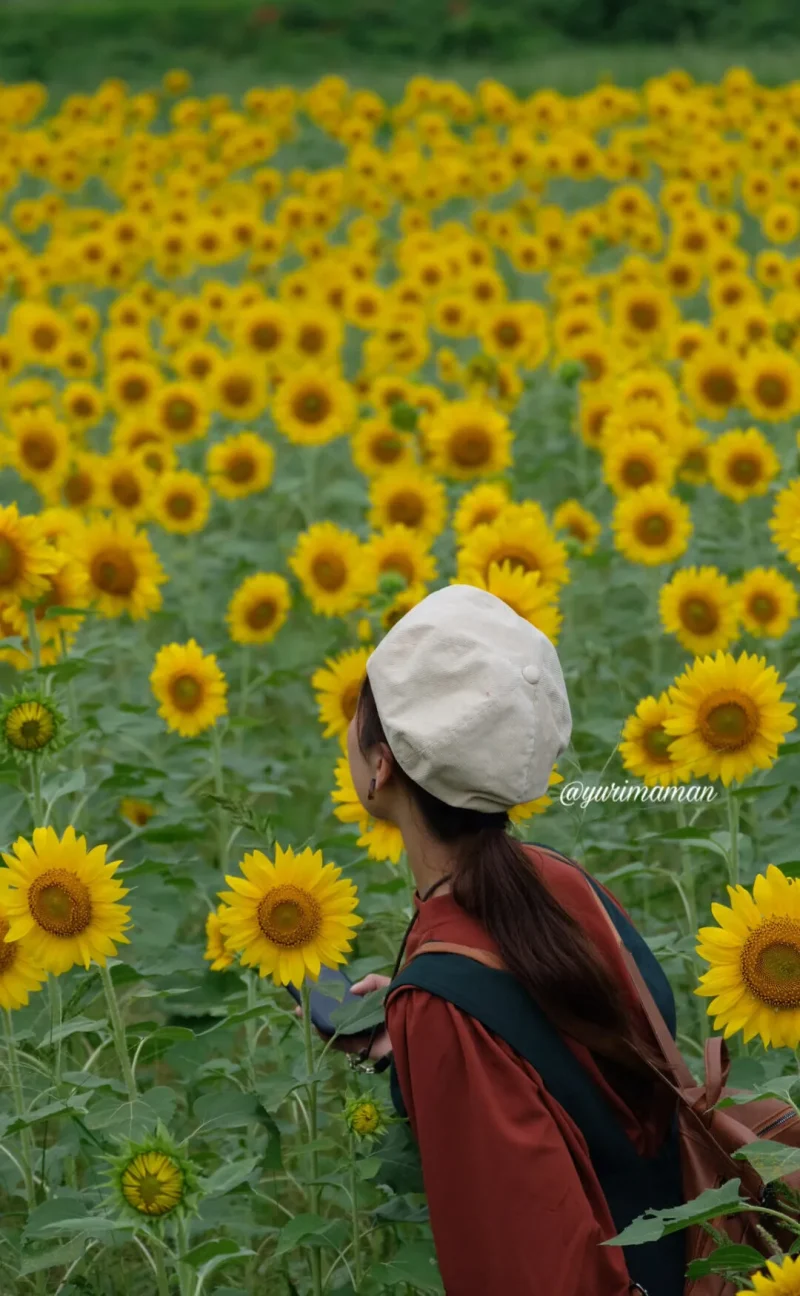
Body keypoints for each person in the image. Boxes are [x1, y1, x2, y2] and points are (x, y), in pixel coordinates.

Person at [309, 584, 686, 1296]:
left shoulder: (451, 1001)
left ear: (381, 765)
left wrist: (446, 1020)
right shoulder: (557, 885)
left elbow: (530, 1269)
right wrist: (425, 1028)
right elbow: (578, 1075)